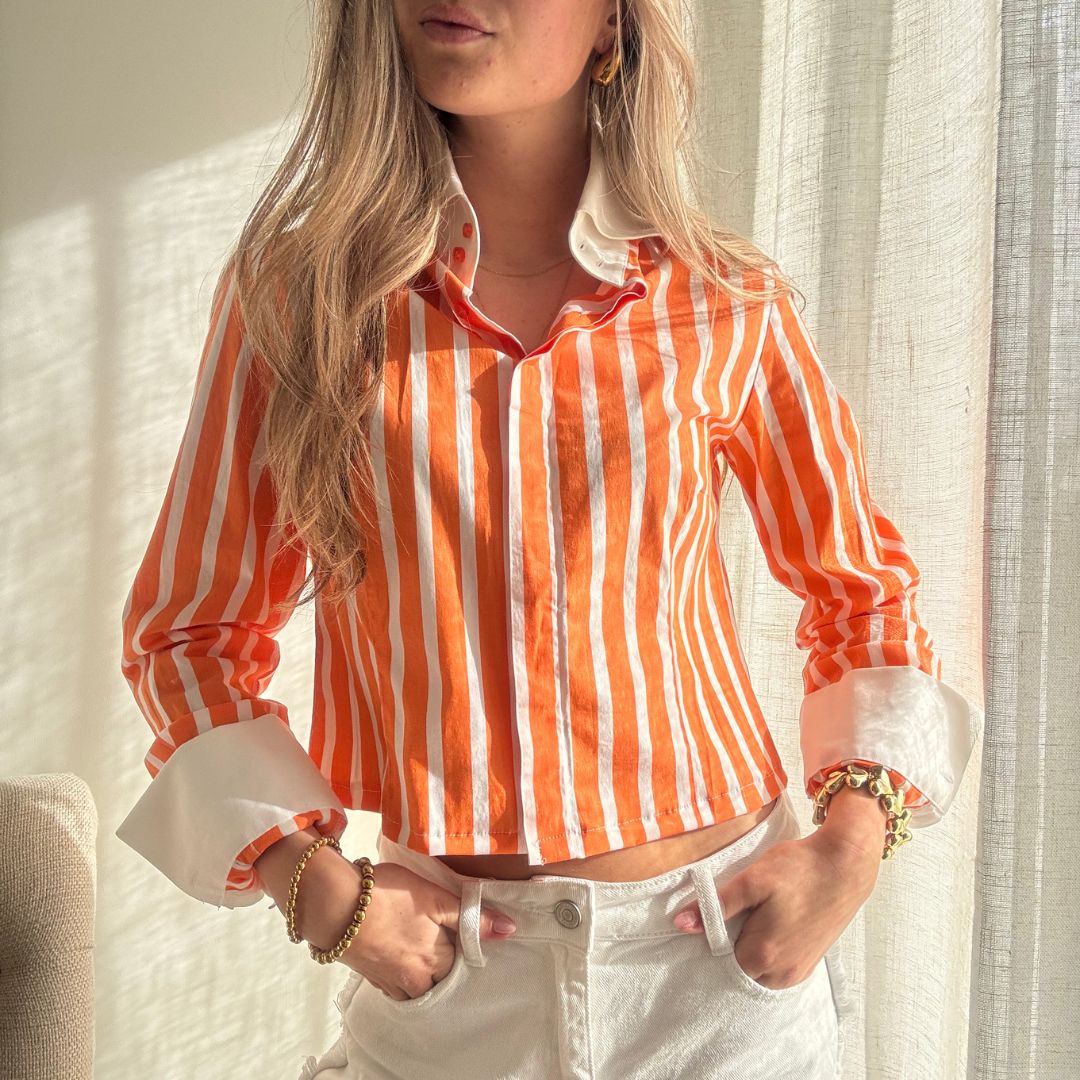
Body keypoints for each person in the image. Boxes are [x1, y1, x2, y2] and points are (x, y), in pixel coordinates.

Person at [114, 1, 981, 1077]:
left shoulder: (722, 300)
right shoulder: (302, 302)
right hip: (449, 984)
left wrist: (850, 848)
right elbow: (187, 634)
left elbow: (865, 596)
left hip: (718, 976)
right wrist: (316, 885)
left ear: (611, 26)